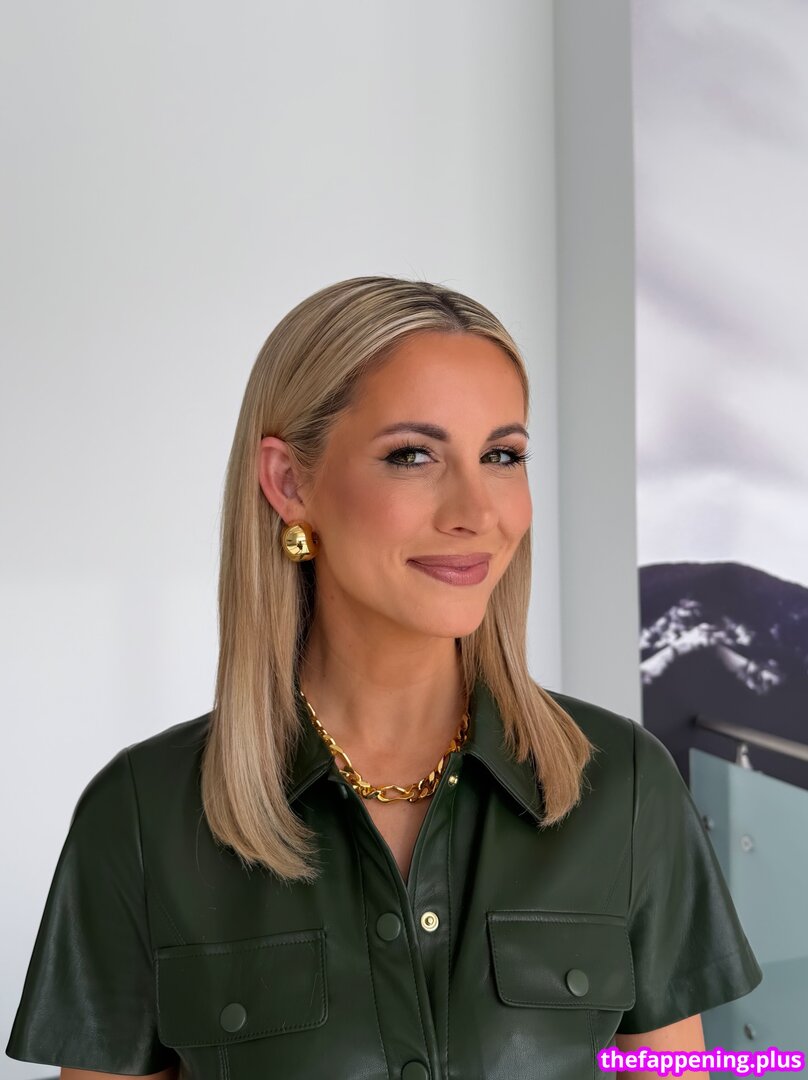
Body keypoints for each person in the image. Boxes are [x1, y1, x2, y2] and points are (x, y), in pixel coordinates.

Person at [6, 276, 762, 1080]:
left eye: (502, 456)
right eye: (413, 456)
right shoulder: (141, 817)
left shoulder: (625, 788)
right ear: (289, 483)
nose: (477, 510)